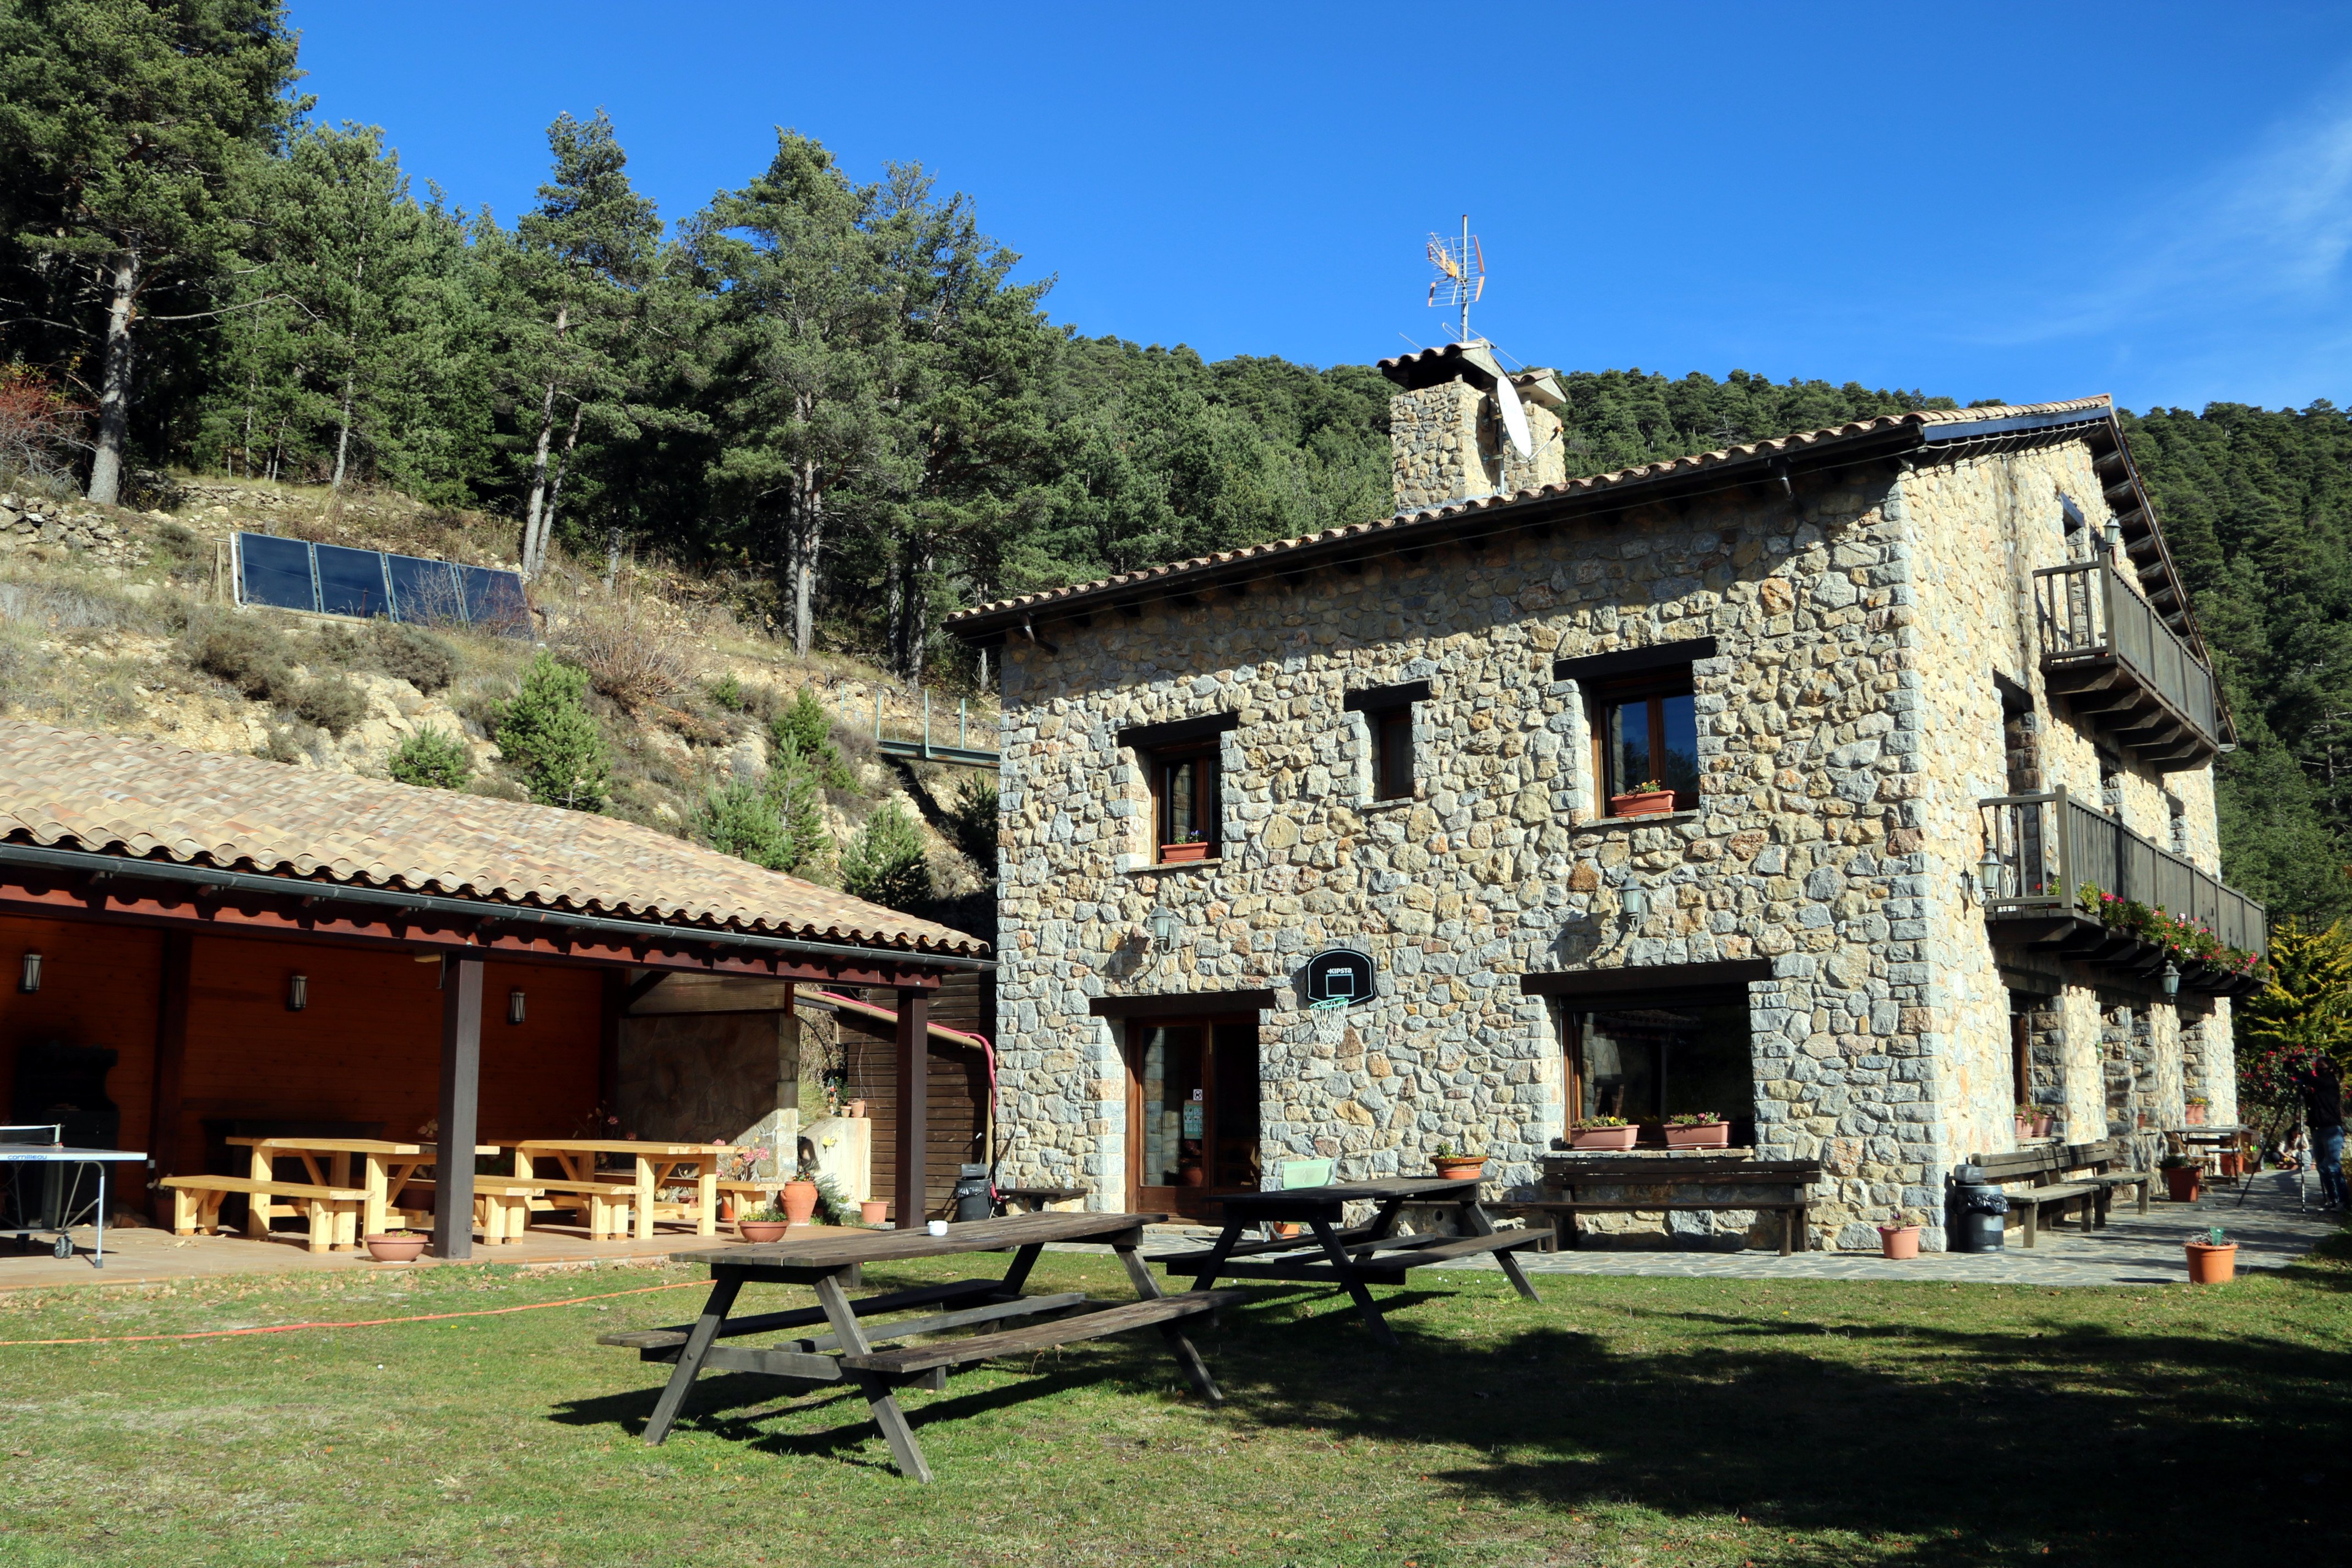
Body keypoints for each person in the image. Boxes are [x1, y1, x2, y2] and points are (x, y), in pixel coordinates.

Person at [2299, 1057, 2346, 1210]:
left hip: (2332, 1130)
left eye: (2322, 1066)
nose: (2318, 1069)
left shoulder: (2330, 1083)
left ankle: (2343, 1202)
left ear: (2331, 1069)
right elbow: (2313, 1104)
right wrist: (2305, 1093)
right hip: (2318, 1130)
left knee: (2334, 1167)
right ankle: (2332, 1200)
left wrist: (2301, 1071)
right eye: (2317, 1066)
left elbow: (2313, 1080)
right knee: (2323, 1168)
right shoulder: (2319, 1088)